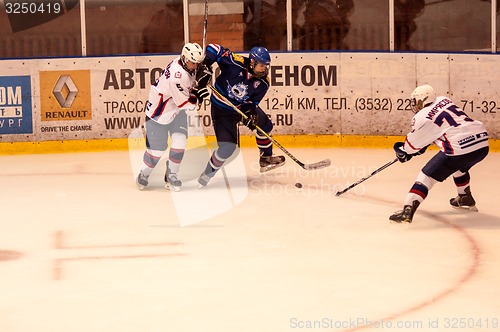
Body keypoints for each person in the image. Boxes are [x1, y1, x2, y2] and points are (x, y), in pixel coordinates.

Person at [389, 85, 489, 223]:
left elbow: (411, 146)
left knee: (426, 177)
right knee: (459, 167)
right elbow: (442, 129)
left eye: (417, 101)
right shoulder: (444, 100)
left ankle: (407, 211)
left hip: (459, 148)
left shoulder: (421, 117)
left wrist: (402, 151)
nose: (415, 105)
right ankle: (465, 196)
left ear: (423, 101)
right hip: (482, 144)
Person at [197, 44, 285, 188]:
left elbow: (252, 101)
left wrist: (250, 112)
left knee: (265, 125)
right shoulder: (235, 63)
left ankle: (266, 158)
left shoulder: (263, 82)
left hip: (241, 108)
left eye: (266, 66)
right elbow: (215, 48)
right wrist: (206, 63)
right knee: (227, 148)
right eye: (261, 66)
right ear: (252, 62)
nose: (264, 69)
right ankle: (207, 174)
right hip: (221, 109)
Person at [136, 42, 209, 191]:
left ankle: (172, 174)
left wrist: (202, 75)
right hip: (159, 114)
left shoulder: (185, 63)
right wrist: (199, 96)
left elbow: (191, 83)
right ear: (184, 58)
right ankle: (144, 173)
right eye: (193, 63)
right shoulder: (177, 76)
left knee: (180, 142)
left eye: (197, 63)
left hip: (175, 110)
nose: (195, 66)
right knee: (156, 151)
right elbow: (186, 104)